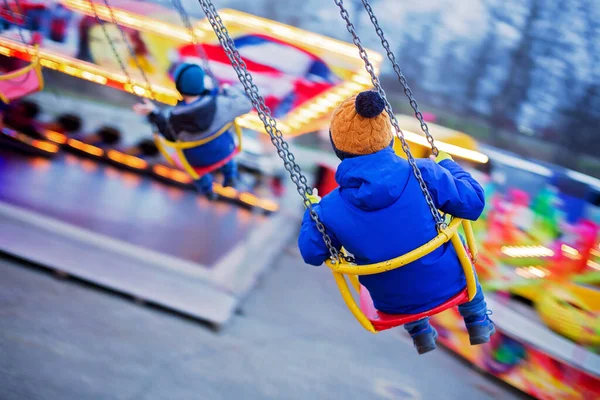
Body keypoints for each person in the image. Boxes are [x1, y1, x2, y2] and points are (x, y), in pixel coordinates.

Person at [298, 90, 495, 354]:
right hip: (451, 282)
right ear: (389, 137)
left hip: (391, 303)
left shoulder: (328, 209)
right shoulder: (424, 171)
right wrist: (450, 166)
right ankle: (477, 319)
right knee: (445, 240)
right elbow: (473, 203)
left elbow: (311, 253)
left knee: (392, 262)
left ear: (338, 149)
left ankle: (420, 333)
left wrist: (311, 212)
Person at [133, 63, 252, 199]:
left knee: (196, 170)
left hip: (198, 161)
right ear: (202, 84)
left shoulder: (175, 117)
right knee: (223, 149)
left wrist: (153, 113)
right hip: (223, 151)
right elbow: (246, 104)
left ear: (178, 87)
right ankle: (230, 176)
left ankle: (207, 190)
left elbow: (169, 136)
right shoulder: (220, 103)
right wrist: (227, 89)